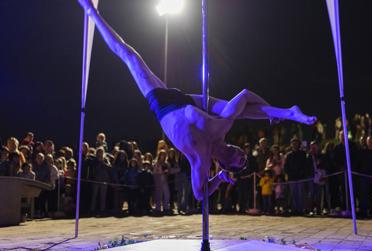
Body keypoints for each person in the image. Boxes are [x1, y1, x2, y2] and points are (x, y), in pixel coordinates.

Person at [78, 0, 317, 201]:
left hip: (165, 107)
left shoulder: (200, 158)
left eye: (240, 159)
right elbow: (244, 94)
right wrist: (272, 112)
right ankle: (286, 112)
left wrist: (218, 180)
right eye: (244, 155)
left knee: (130, 56)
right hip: (188, 104)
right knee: (237, 109)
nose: (242, 153)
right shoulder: (222, 128)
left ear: (225, 164)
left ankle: (91, 11)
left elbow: (200, 194)